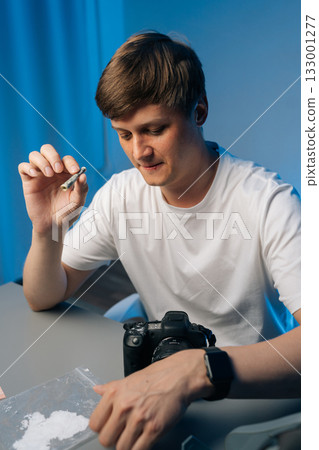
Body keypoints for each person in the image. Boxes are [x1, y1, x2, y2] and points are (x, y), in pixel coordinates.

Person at [18, 32, 300, 450]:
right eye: (124, 134)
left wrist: (194, 369)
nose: (139, 152)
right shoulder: (121, 193)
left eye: (154, 129)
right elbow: (44, 294)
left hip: (245, 386)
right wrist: (48, 230)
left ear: (199, 109)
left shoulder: (268, 201)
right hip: (162, 369)